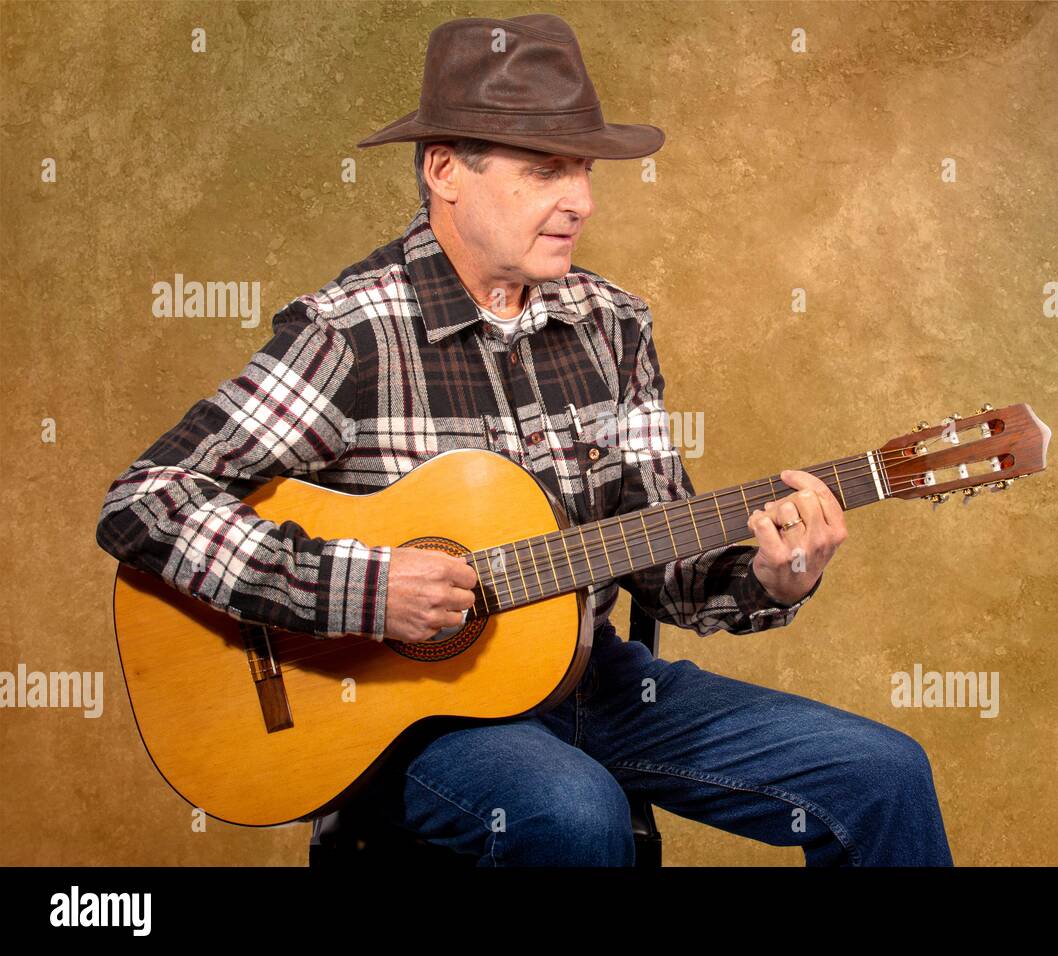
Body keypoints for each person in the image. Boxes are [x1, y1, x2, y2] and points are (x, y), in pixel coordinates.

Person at [95, 13, 953, 866]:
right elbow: (147, 501)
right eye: (545, 170)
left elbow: (669, 564)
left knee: (883, 774)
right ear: (445, 171)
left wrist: (772, 575)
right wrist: (365, 591)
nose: (579, 200)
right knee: (571, 812)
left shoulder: (613, 323)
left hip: (594, 686)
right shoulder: (352, 331)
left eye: (583, 170)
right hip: (418, 722)